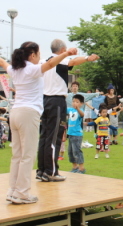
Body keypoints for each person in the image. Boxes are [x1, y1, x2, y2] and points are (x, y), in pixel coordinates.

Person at [2, 41, 77, 204]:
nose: (40, 57)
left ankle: (13, 190)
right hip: (28, 114)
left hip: (15, 113)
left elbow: (2, 62)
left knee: (17, 155)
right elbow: (51, 63)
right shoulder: (32, 69)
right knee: (27, 155)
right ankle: (22, 193)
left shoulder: (15, 69)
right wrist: (67, 53)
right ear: (33, 55)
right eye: (39, 54)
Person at [37, 39, 99, 182]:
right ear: (63, 49)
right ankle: (51, 172)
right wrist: (87, 58)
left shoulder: (44, 63)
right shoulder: (60, 60)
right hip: (56, 101)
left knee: (45, 137)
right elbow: (73, 61)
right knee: (54, 138)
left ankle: (41, 170)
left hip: (44, 100)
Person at [67, 94, 86, 174]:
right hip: (70, 133)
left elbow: (82, 115)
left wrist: (77, 108)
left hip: (77, 134)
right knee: (70, 151)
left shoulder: (80, 111)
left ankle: (81, 168)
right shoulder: (70, 110)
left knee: (77, 151)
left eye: (77, 102)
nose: (75, 103)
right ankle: (75, 166)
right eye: (73, 101)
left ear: (81, 103)